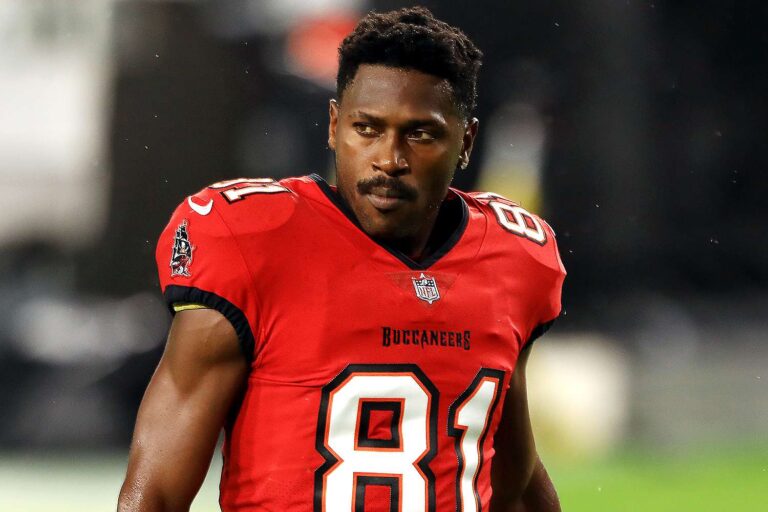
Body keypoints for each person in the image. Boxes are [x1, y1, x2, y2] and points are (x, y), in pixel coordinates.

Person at [118, 6, 565, 512]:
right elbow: (153, 493)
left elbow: (512, 476)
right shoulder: (252, 241)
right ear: (334, 126)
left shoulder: (514, 256)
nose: (389, 159)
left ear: (465, 142)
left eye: (420, 134)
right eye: (367, 128)